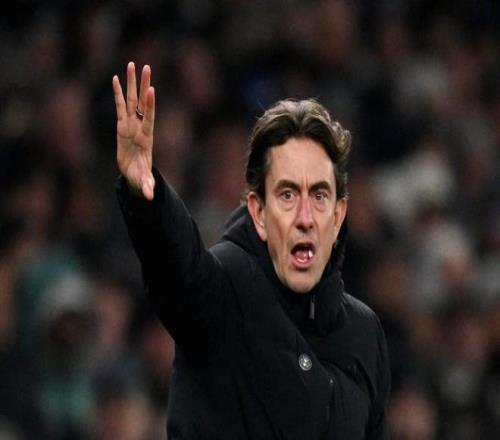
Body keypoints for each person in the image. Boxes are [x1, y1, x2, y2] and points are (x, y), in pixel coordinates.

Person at [113, 62, 390, 439]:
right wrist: (147, 196)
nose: (305, 218)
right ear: (258, 211)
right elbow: (179, 270)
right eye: (288, 194)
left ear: (339, 215)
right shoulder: (224, 287)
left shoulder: (365, 332)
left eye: (319, 195)